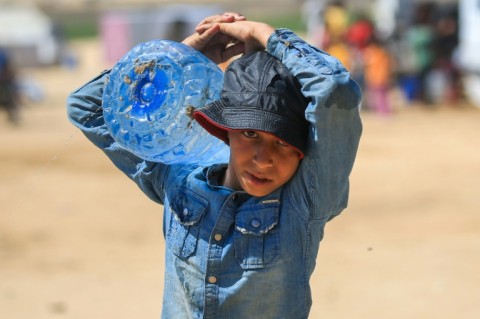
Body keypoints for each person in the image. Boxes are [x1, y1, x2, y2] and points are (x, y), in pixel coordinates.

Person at [67, 12, 362, 319]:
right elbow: (86, 106)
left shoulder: (306, 200)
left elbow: (334, 92)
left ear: (304, 151)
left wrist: (267, 35)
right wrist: (179, 59)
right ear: (226, 131)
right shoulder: (179, 178)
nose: (263, 159)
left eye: (284, 143)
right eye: (250, 134)